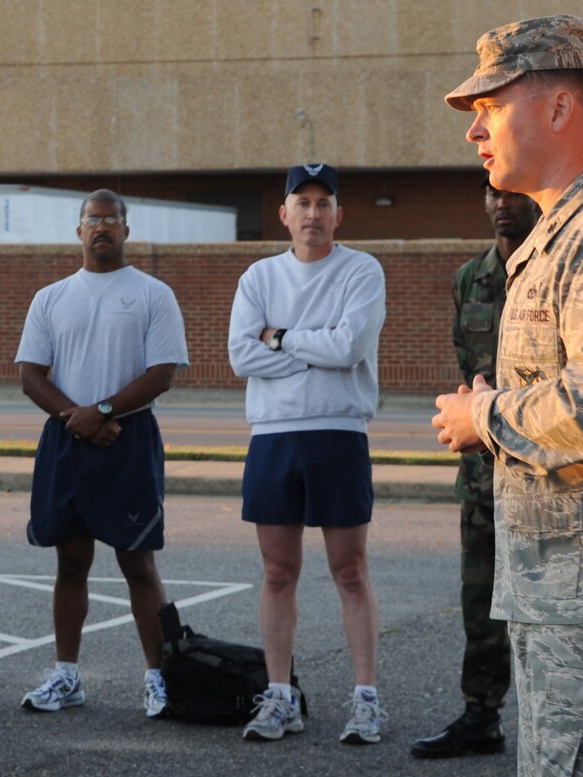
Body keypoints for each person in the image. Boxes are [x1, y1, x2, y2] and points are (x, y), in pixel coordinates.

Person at [432, 15, 583, 776]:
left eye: (490, 107)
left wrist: (485, 415)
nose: (475, 132)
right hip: (569, 605)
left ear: (559, 109)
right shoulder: (559, 235)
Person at [228, 164, 387, 744]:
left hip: (338, 434)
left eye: (325, 203)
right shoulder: (259, 276)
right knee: (277, 572)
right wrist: (313, 347)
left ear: (339, 214)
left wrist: (283, 337)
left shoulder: (361, 271)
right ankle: (278, 696)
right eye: (304, 202)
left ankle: (366, 699)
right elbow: (242, 357)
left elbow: (350, 346)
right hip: (273, 436)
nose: (314, 214)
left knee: (350, 571)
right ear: (284, 214)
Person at [14, 189, 188, 718]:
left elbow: (162, 373)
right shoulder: (51, 297)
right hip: (69, 440)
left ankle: (159, 677)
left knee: (137, 562)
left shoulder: (154, 294)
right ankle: (67, 676)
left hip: (127, 441)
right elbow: (30, 376)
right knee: (71, 561)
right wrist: (81, 420)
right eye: (93, 220)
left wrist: (105, 412)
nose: (102, 227)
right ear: (79, 231)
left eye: (111, 220)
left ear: (126, 231)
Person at [410, 182, 538, 758]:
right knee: (481, 601)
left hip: (546, 474)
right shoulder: (470, 279)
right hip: (484, 477)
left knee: (548, 608)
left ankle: (550, 721)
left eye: (512, 192)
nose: (502, 202)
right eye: (492, 194)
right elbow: (469, 371)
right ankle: (481, 715)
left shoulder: (551, 269)